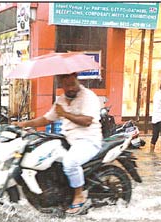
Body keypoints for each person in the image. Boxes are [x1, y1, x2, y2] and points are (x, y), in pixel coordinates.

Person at [14, 72, 102, 214]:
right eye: (66, 85)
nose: (70, 88)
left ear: (77, 80)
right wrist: (24, 124)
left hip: (88, 140)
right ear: (61, 85)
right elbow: (47, 119)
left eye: (72, 84)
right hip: (68, 139)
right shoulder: (61, 100)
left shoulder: (88, 97)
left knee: (70, 162)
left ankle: (79, 195)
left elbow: (86, 121)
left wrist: (65, 114)